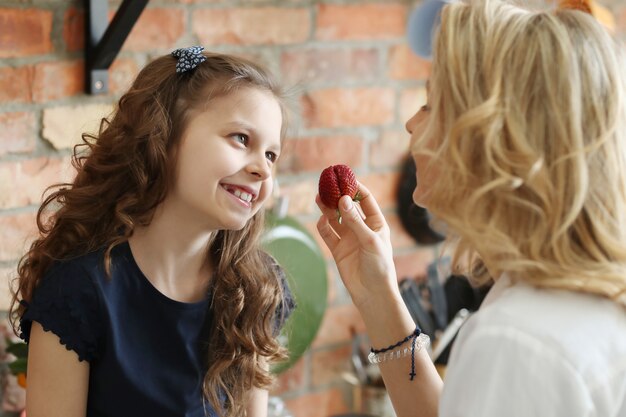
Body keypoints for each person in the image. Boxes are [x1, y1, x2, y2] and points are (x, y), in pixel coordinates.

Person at [315, 1, 626, 416]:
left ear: (488, 141)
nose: (411, 123)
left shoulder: (516, 342)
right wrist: (379, 296)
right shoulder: (565, 304)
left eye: (430, 104)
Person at [10, 47, 295, 417]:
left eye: (272, 154)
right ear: (165, 136)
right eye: (241, 138)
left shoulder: (256, 290)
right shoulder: (77, 293)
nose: (263, 169)